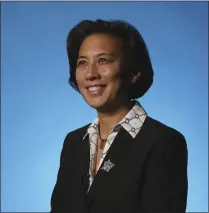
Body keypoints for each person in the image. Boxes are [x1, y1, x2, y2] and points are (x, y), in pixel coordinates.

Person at [50, 19, 188, 213]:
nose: (90, 74)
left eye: (103, 60)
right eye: (82, 62)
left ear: (133, 72)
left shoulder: (163, 142)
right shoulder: (74, 142)